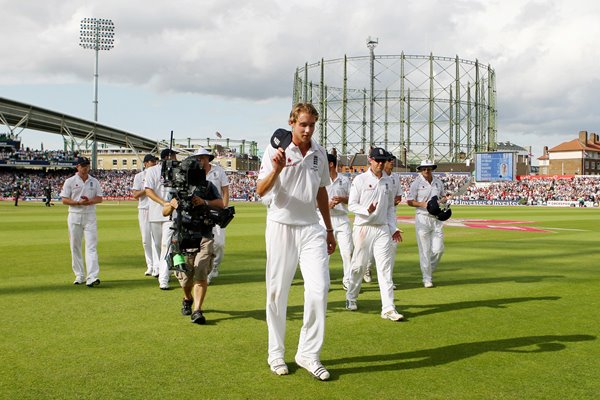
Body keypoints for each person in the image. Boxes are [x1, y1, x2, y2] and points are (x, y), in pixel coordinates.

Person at [256, 103, 336, 381]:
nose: (307, 130)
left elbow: (322, 192)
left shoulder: (319, 153)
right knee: (277, 293)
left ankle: (308, 354)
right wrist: (276, 170)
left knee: (320, 289)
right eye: (303, 124)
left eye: (312, 124)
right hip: (280, 225)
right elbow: (260, 190)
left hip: (311, 227)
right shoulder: (274, 150)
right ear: (292, 122)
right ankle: (276, 353)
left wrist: (329, 229)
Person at [162, 156, 224, 324]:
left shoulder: (208, 186)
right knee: (184, 276)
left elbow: (220, 204)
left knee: (201, 271)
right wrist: (172, 204)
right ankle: (187, 298)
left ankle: (197, 310)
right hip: (182, 234)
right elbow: (165, 212)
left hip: (204, 233)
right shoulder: (176, 188)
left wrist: (203, 201)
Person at [345, 148, 404, 321]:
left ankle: (388, 308)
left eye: (383, 160)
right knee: (359, 266)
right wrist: (366, 210)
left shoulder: (388, 181)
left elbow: (390, 208)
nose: (380, 163)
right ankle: (351, 296)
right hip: (363, 227)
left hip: (382, 229)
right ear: (370, 160)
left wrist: (393, 228)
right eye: (377, 160)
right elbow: (351, 205)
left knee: (385, 269)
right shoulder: (360, 179)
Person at [60, 157, 103, 287]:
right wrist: (78, 202)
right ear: (77, 167)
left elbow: (100, 198)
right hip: (74, 215)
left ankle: (92, 276)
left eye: (87, 165)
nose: (85, 168)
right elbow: (64, 200)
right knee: (75, 246)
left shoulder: (94, 181)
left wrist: (89, 201)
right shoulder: (70, 181)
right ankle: (80, 275)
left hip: (89, 216)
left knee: (91, 246)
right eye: (83, 165)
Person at [192, 148, 230, 284]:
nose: (200, 160)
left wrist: (224, 207)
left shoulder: (218, 171)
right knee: (202, 243)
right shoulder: (193, 172)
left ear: (208, 158)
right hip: (200, 213)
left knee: (219, 244)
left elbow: (225, 190)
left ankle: (214, 267)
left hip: (216, 210)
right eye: (198, 158)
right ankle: (205, 270)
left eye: (202, 157)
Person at [406, 159, 446, 288]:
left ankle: (429, 269)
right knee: (424, 250)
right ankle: (426, 278)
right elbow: (410, 201)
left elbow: (442, 197)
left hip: (436, 219)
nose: (426, 170)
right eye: (424, 168)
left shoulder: (438, 182)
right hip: (422, 217)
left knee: (438, 249)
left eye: (429, 168)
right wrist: (425, 204)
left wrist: (444, 202)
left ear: (432, 169)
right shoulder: (416, 183)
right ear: (421, 170)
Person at [145, 148, 179, 290]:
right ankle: (163, 268)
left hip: (171, 215)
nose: (176, 159)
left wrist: (171, 204)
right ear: (167, 157)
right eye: (174, 156)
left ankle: (163, 279)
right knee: (158, 245)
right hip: (155, 214)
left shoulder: (177, 171)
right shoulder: (152, 171)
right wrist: (162, 202)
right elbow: (148, 190)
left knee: (166, 246)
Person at [319, 153, 353, 290]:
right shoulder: (320, 180)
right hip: (323, 219)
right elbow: (313, 202)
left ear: (331, 164)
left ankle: (348, 280)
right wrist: (327, 205)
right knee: (323, 253)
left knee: (347, 252)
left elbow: (353, 200)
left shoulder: (344, 180)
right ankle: (323, 282)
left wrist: (342, 199)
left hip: (342, 219)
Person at [131, 154, 158, 276]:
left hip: (156, 208)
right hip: (143, 209)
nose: (154, 163)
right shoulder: (139, 176)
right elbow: (135, 195)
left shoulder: (158, 174)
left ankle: (157, 267)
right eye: (152, 161)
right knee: (146, 240)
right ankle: (150, 265)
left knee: (155, 239)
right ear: (146, 163)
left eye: (155, 161)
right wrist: (147, 189)